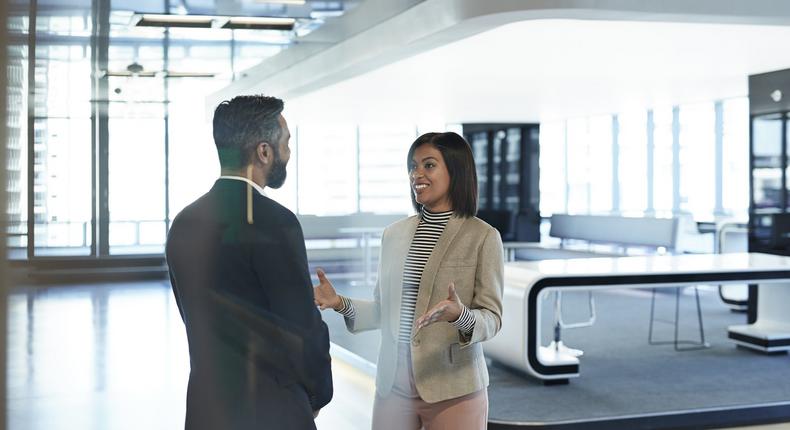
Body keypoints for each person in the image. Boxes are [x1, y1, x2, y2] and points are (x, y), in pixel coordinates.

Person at [314, 132, 504, 429]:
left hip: (453, 386)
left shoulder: (483, 237)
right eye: (412, 167)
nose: (417, 174)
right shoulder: (394, 234)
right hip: (394, 384)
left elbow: (492, 318)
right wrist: (340, 303)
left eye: (429, 165)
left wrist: (462, 316)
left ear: (456, 170)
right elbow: (382, 311)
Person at [166, 95, 333, 430]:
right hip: (272, 411)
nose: (288, 152)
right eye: (286, 143)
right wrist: (318, 395)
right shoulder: (275, 221)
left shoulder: (183, 223)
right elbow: (300, 329)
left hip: (205, 409)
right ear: (263, 151)